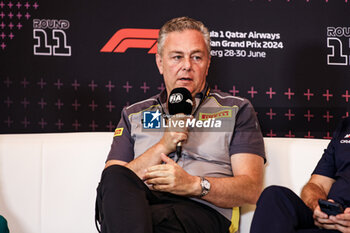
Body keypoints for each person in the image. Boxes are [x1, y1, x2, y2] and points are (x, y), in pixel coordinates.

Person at [95, 16, 265, 233]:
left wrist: (192, 185)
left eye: (196, 57)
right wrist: (163, 145)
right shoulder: (134, 114)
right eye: (177, 57)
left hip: (202, 213)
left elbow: (251, 189)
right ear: (160, 63)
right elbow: (111, 184)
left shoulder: (236, 109)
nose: (187, 66)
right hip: (142, 210)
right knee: (116, 175)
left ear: (208, 63)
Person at [250, 117, 350, 233]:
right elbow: (317, 185)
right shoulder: (345, 126)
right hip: (331, 219)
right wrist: (317, 207)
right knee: (274, 195)